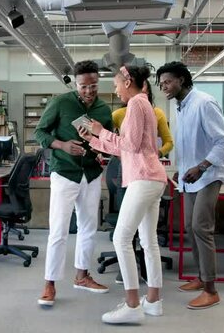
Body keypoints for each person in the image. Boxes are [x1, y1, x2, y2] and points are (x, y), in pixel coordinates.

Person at [78, 65, 167, 324]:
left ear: (128, 81)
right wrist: (95, 140)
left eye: (116, 83)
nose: (115, 89)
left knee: (121, 239)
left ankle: (132, 305)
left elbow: (129, 145)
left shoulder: (136, 106)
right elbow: (127, 148)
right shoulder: (144, 103)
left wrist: (100, 131)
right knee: (149, 242)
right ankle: (153, 301)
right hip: (152, 178)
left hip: (143, 179)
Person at [34, 60, 114, 307]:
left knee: (88, 228)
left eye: (93, 85)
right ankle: (50, 283)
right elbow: (40, 133)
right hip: (65, 174)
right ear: (76, 84)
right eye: (83, 86)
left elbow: (108, 141)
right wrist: (62, 145)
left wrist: (102, 152)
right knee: (58, 231)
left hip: (90, 175)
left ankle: (82, 275)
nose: (89, 91)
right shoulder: (61, 103)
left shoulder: (103, 110)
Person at [156, 61, 224, 310]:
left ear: (182, 79)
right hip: (191, 176)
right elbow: (189, 141)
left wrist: (200, 166)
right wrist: (183, 165)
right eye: (161, 84)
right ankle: (201, 278)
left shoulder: (203, 102)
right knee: (189, 226)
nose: (163, 87)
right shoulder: (181, 107)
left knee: (202, 227)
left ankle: (211, 290)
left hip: (209, 174)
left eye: (167, 82)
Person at [111, 79, 174, 158]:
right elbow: (105, 137)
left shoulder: (157, 113)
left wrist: (158, 153)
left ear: (147, 92)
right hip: (125, 162)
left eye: (142, 90)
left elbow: (169, 142)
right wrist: (116, 151)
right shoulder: (118, 114)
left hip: (147, 163)